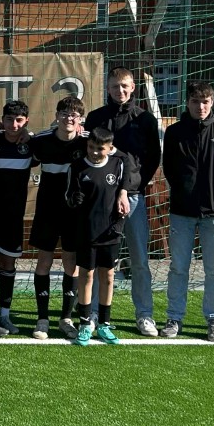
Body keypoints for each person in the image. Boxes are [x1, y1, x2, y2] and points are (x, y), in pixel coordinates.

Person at [162, 80, 214, 343]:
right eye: (196, 101)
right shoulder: (174, 132)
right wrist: (184, 192)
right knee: (178, 268)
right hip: (181, 212)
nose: (201, 107)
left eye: (205, 101)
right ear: (187, 102)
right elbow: (170, 169)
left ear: (212, 102)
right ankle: (174, 318)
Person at [85, 67, 163, 337]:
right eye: (115, 86)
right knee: (99, 261)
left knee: (139, 258)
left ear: (132, 88)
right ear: (108, 88)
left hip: (133, 198)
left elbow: (153, 158)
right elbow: (87, 155)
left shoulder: (145, 119)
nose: (120, 91)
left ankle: (144, 315)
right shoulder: (95, 118)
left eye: (125, 86)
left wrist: (134, 185)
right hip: (101, 200)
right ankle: (93, 313)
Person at [65, 127, 136, 347]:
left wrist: (122, 198)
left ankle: (104, 324)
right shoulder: (77, 167)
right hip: (86, 231)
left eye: (100, 148)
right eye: (91, 147)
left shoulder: (118, 164)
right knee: (86, 275)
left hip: (110, 231)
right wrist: (73, 199)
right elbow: (68, 196)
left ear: (109, 148)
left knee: (108, 276)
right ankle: (85, 323)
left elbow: (123, 188)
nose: (95, 152)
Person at [27, 95, 87, 340]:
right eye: (64, 114)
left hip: (75, 213)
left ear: (80, 119)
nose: (68, 119)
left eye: (74, 115)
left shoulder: (87, 141)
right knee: (44, 261)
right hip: (47, 211)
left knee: (71, 264)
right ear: (56, 116)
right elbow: (21, 144)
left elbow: (112, 152)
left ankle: (65, 318)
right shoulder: (42, 141)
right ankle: (42, 319)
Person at [0, 99, 35, 334]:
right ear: (2, 120)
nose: (14, 125)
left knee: (8, 263)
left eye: (19, 120)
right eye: (9, 119)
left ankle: (5, 314)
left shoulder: (31, 144)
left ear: (26, 121)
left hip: (14, 217)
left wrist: (30, 135)